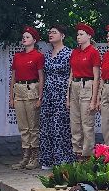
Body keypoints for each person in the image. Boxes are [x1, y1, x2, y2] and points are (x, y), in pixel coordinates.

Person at [9, 27, 45, 170]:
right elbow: (13, 77)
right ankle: (25, 157)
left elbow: (41, 77)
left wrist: (40, 97)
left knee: (33, 126)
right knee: (23, 127)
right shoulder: (17, 56)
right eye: (23, 37)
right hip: (19, 90)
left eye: (28, 37)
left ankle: (34, 157)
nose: (24, 39)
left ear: (34, 40)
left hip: (32, 90)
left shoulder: (38, 56)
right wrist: (11, 97)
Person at [39, 25, 74, 170]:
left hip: (61, 93)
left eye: (54, 32)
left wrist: (68, 95)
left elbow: (72, 75)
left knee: (60, 126)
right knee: (46, 126)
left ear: (62, 36)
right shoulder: (46, 54)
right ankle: (47, 159)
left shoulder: (69, 53)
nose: (51, 34)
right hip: (48, 94)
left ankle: (63, 159)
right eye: (50, 32)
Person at [67, 23, 101, 160]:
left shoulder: (93, 52)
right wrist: (67, 96)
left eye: (81, 34)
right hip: (74, 86)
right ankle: (77, 152)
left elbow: (97, 77)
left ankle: (87, 155)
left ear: (89, 36)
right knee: (75, 123)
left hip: (87, 85)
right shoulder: (75, 52)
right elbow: (71, 74)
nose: (78, 37)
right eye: (77, 34)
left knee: (87, 123)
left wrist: (94, 100)